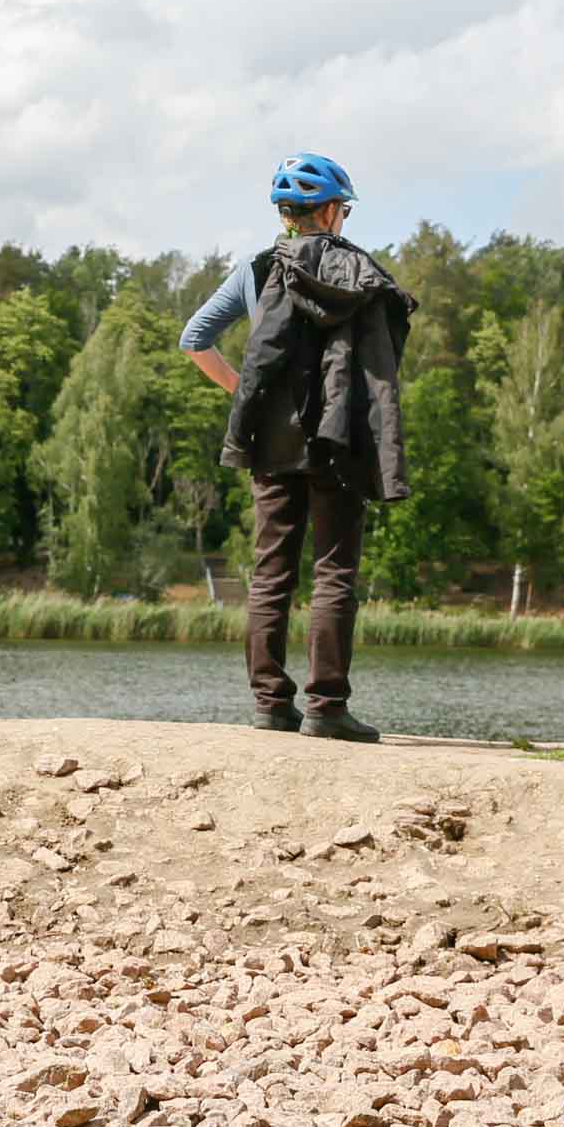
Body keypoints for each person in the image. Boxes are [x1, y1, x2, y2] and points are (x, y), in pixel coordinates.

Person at [179, 152, 413, 743]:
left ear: (286, 214)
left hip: (273, 443)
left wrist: (244, 393)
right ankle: (326, 709)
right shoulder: (362, 272)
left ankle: (270, 705)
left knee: (270, 574)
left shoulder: (257, 270)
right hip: (340, 440)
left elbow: (194, 338)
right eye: (344, 210)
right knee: (334, 572)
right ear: (331, 211)